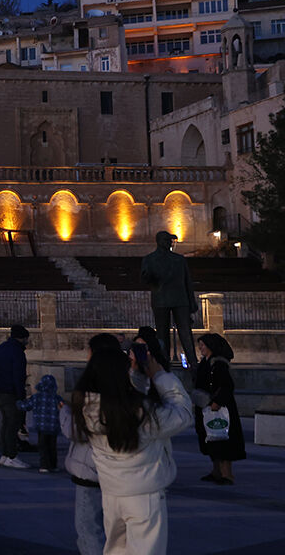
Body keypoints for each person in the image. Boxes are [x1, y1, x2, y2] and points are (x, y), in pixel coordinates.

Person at [73, 347, 192, 555]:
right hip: (143, 495)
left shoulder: (87, 408)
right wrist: (160, 376)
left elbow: (120, 396)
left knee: (115, 550)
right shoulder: (140, 413)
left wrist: (137, 376)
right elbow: (182, 414)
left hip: (112, 493)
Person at [63, 333, 119, 555]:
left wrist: (65, 413)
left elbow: (77, 431)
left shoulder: (90, 391)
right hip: (117, 471)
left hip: (90, 468)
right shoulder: (127, 386)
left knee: (88, 529)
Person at [141, 230, 198, 368]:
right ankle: (163, 362)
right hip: (161, 300)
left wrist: (192, 302)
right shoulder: (149, 260)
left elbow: (187, 282)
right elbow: (145, 279)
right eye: (166, 240)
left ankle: (193, 362)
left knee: (185, 333)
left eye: (169, 240)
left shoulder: (179, 260)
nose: (169, 242)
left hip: (179, 300)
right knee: (162, 334)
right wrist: (149, 276)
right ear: (159, 241)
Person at [193, 333, 245, 485]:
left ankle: (227, 474)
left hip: (220, 409)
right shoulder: (206, 362)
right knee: (212, 440)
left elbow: (226, 386)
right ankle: (216, 471)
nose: (201, 348)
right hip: (207, 408)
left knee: (223, 440)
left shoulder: (218, 364)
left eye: (203, 345)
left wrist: (217, 401)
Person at [0, 325, 31, 469]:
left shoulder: (1, 348)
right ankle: (11, 455)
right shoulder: (17, 352)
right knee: (12, 424)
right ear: (23, 338)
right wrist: (20, 394)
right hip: (11, 392)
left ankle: (5, 455)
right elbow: (18, 374)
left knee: (6, 424)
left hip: (0, 390)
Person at [19, 374, 64, 473]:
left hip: (42, 426)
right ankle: (53, 465)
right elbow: (63, 408)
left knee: (43, 446)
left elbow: (26, 406)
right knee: (52, 446)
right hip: (53, 427)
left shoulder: (36, 397)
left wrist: (17, 403)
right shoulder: (57, 398)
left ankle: (44, 465)